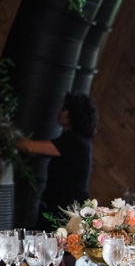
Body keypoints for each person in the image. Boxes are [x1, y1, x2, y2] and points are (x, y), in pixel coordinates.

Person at [18, 92, 98, 223]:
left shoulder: (74, 141)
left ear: (74, 114)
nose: (59, 111)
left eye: (65, 109)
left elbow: (30, 147)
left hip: (65, 211)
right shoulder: (78, 140)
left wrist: (2, 131)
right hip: (64, 207)